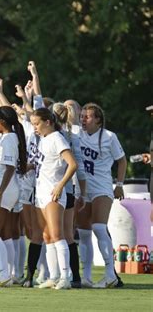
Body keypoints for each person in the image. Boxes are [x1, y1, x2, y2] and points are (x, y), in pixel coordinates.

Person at [77, 103, 127, 288]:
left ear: (98, 120)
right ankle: (87, 276)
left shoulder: (109, 136)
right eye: (82, 116)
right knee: (83, 232)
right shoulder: (76, 134)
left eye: (87, 116)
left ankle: (109, 274)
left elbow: (122, 161)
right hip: (83, 189)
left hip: (102, 188)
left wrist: (119, 185)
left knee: (99, 227)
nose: (83, 119)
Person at [31, 107, 78, 290]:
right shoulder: (43, 139)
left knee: (58, 235)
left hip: (53, 191)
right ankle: (54, 275)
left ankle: (66, 277)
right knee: (47, 236)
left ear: (48, 122)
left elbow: (73, 164)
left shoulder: (57, 138)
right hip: (41, 191)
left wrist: (60, 185)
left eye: (37, 124)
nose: (35, 127)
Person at [0, 105, 27, 288]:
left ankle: (3, 274)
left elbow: (9, 168)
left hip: (4, 189)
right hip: (5, 188)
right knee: (5, 233)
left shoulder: (8, 139)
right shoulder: (6, 137)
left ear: (2, 122)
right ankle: (8, 273)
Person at [52, 102, 87, 288]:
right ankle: (74, 277)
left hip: (56, 190)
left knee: (54, 235)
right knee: (68, 235)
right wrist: (82, 192)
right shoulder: (72, 135)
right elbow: (79, 166)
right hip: (70, 191)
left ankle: (59, 275)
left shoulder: (56, 136)